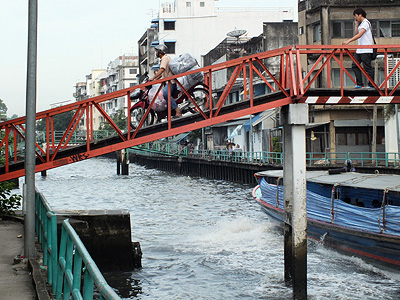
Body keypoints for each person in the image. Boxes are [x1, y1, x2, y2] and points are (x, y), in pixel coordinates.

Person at [342, 8, 374, 89]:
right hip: (360, 49)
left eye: (355, 16)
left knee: (367, 67)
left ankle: (371, 84)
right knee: (355, 65)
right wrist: (356, 25)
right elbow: (356, 33)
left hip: (366, 49)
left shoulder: (366, 23)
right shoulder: (361, 24)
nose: (355, 18)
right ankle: (359, 83)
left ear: (360, 15)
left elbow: (360, 35)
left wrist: (348, 41)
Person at [150, 44, 182, 117]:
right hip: (167, 82)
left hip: (170, 82)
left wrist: (153, 77)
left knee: (165, 94)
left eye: (156, 51)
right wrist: (154, 80)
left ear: (160, 51)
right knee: (162, 95)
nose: (156, 53)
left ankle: (178, 111)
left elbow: (162, 69)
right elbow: (162, 74)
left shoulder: (165, 58)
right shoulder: (163, 59)